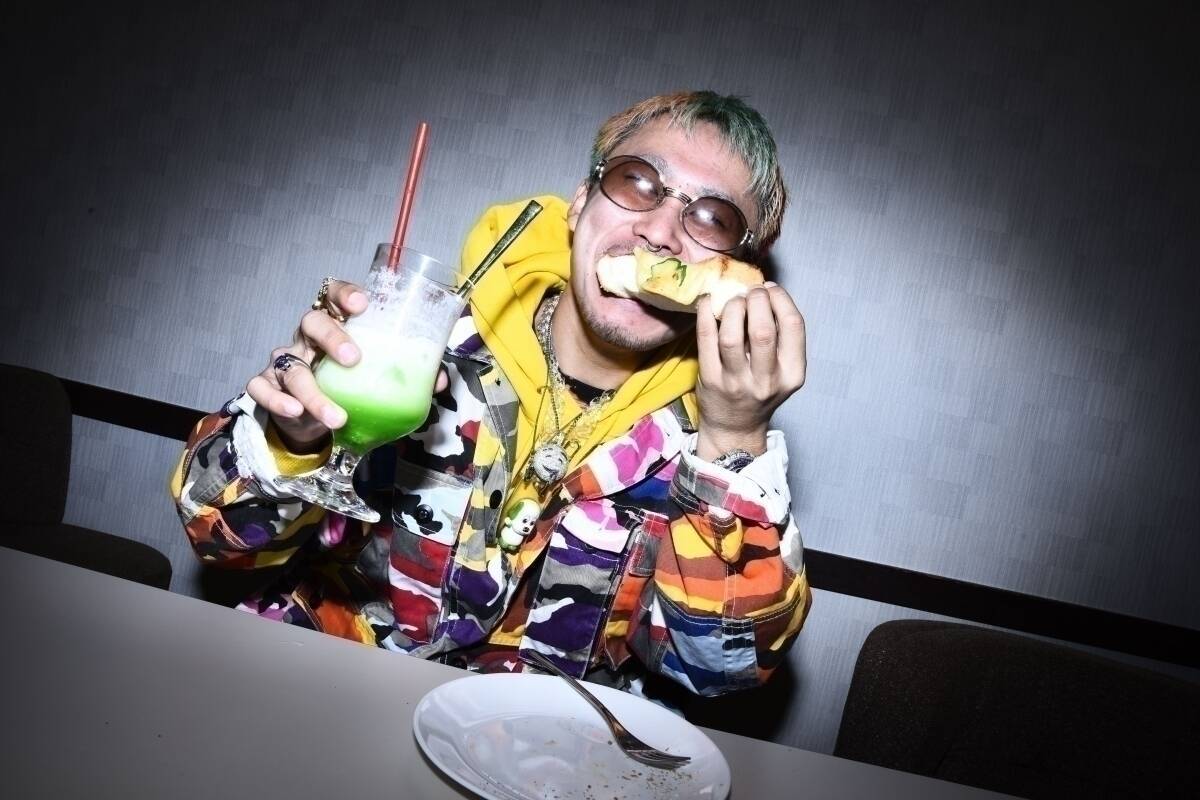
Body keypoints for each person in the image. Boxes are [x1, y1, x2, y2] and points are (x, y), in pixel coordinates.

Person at [171, 90, 811, 699]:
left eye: (713, 219)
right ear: (580, 202)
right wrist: (293, 437)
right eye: (637, 181)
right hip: (322, 690)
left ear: (739, 275)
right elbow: (213, 533)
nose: (661, 232)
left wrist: (733, 441)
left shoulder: (710, 443)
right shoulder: (419, 340)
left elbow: (718, 673)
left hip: (548, 746)